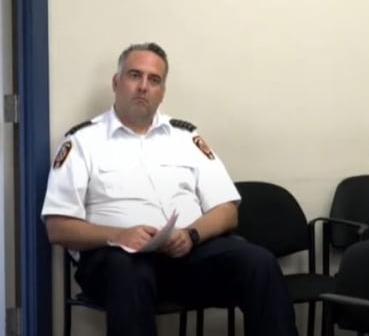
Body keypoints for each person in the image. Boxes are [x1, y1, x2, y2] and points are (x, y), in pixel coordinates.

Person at [41, 42, 299, 336]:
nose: (143, 87)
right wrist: (119, 235)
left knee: (259, 262)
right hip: (118, 260)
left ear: (162, 91)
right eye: (134, 76)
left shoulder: (185, 137)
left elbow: (227, 211)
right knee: (128, 273)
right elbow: (58, 227)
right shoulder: (82, 142)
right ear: (116, 82)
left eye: (154, 80)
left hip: (186, 256)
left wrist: (191, 235)